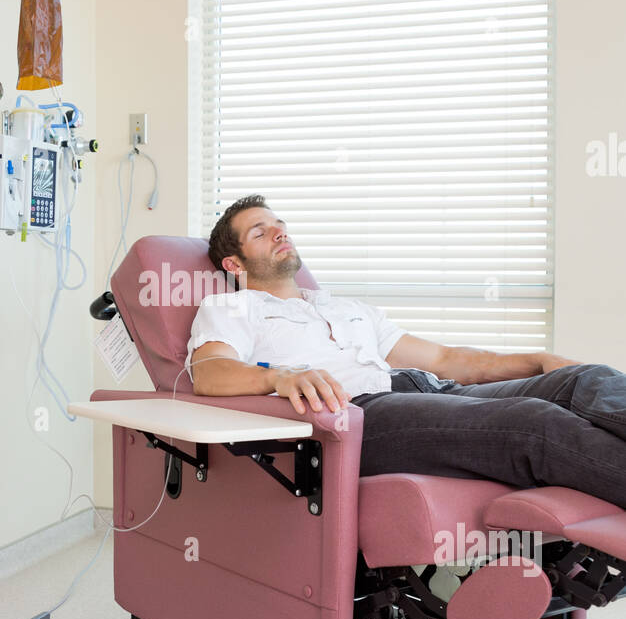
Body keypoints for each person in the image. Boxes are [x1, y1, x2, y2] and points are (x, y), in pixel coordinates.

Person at [187, 195, 626, 511]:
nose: (279, 232)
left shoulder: (344, 307)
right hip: (360, 416)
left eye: (279, 224)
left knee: (585, 379)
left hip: (428, 391)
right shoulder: (230, 306)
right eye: (260, 232)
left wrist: (538, 360)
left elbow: (444, 360)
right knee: (534, 424)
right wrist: (278, 377)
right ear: (235, 264)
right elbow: (209, 372)